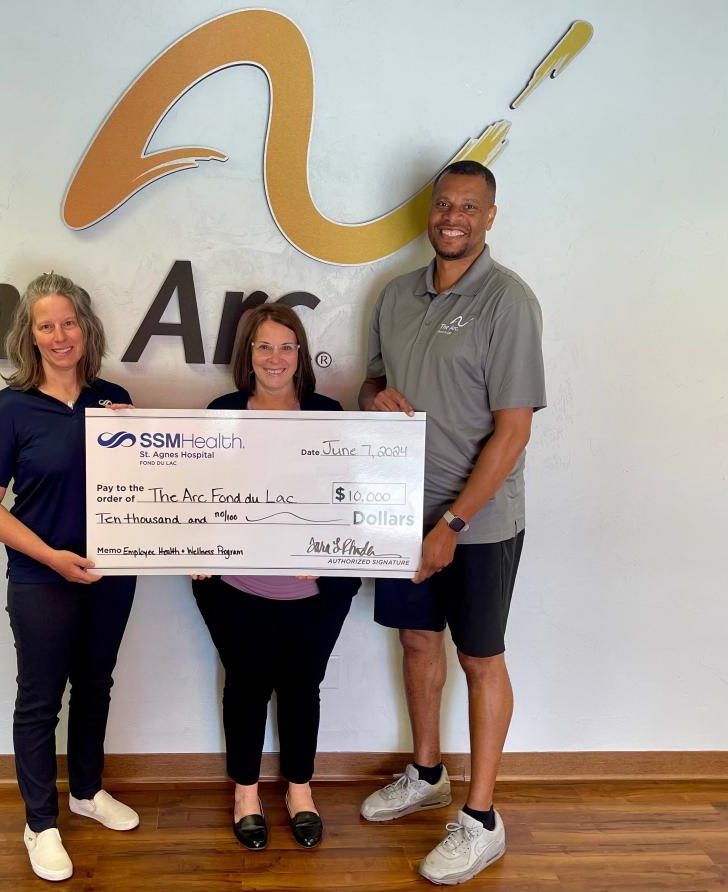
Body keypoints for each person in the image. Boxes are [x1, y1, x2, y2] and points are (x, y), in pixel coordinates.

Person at [358, 160, 546, 885]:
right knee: (415, 641)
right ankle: (427, 773)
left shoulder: (508, 300)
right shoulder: (395, 294)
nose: (453, 216)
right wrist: (375, 395)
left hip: (483, 522)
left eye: (470, 206)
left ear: (490, 217)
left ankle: (481, 819)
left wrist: (453, 526)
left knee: (479, 657)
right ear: (429, 212)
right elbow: (375, 378)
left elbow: (513, 431)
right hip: (401, 505)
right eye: (444, 203)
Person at [0, 272, 139, 883]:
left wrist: (139, 432)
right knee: (40, 700)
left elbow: (148, 488)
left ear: (85, 329)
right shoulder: (10, 407)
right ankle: (40, 822)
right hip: (42, 578)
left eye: (69, 322)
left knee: (96, 685)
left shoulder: (113, 397)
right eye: (47, 325)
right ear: (30, 336)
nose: (60, 335)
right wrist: (50, 556)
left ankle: (86, 793)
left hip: (112, 573)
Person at [191, 303, 361, 851]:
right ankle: (246, 793)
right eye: (264, 346)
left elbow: (352, 498)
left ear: (300, 356)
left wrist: (331, 556)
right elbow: (195, 492)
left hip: (315, 594)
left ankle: (300, 790)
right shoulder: (221, 412)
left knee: (302, 689)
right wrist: (195, 547)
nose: (275, 358)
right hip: (237, 590)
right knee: (244, 689)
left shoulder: (328, 412)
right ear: (248, 355)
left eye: (286, 346)